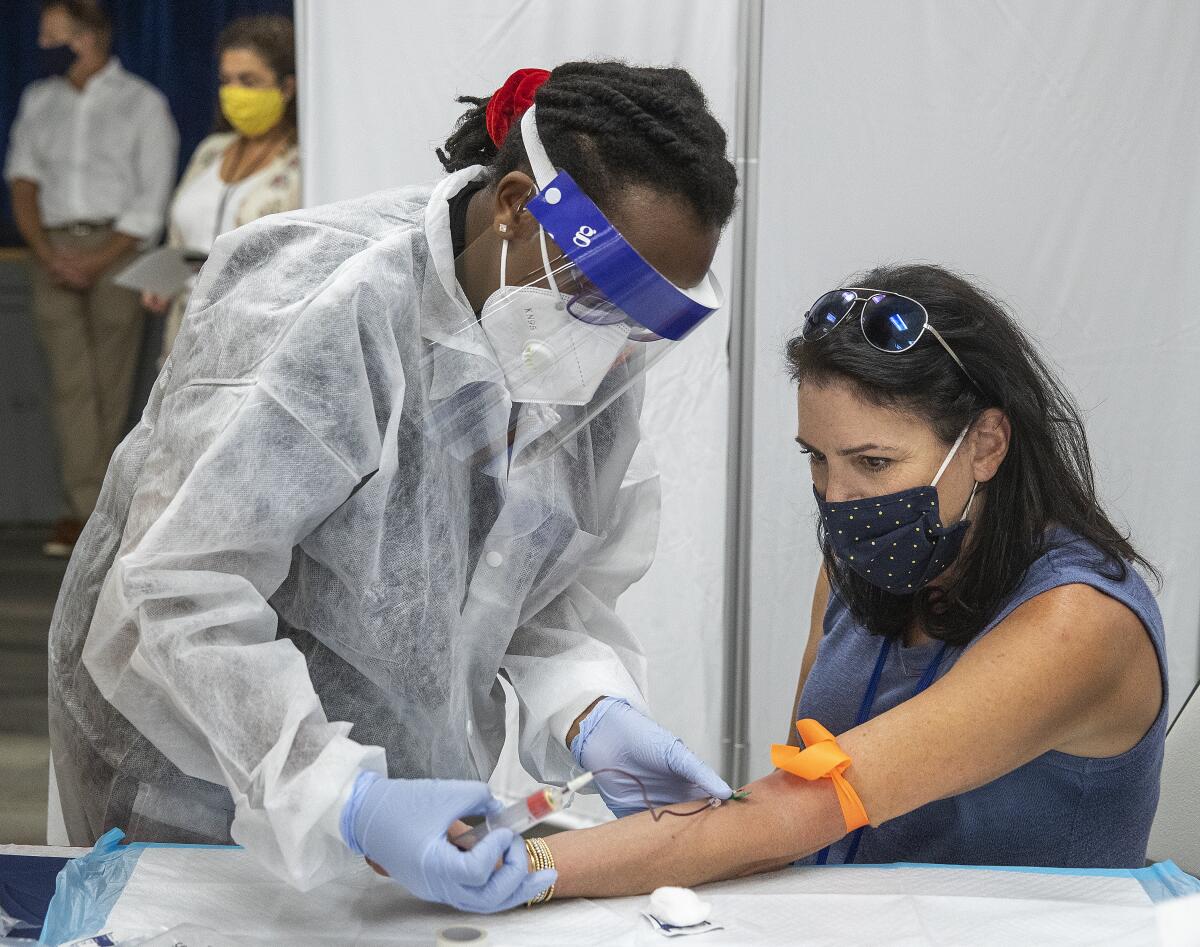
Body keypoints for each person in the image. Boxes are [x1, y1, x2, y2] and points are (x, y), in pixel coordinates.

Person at [47, 63, 739, 913]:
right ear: (518, 205)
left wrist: (592, 708)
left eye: (648, 319)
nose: (617, 345)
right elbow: (183, 585)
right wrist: (343, 795)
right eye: (603, 298)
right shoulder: (323, 305)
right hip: (197, 780)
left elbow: (542, 583)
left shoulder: (587, 357)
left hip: (411, 814)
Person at [514, 264, 1166, 903]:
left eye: (873, 462)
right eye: (816, 458)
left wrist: (530, 860)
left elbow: (793, 813)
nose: (838, 497)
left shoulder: (1078, 623)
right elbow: (793, 790)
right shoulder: (866, 561)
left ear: (987, 444)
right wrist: (703, 832)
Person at [4, 0, 178, 557]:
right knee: (70, 383)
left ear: (87, 34)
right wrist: (46, 251)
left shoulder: (142, 103)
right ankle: (85, 512)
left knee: (112, 383)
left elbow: (150, 197)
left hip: (120, 250)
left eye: (51, 28)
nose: (40, 39)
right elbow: (24, 181)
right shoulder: (40, 100)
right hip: (51, 246)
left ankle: (101, 510)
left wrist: (97, 260)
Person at [142, 14, 301, 363]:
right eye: (226, 80)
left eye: (248, 80)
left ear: (287, 87)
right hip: (186, 336)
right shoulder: (210, 151)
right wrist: (162, 280)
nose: (234, 93)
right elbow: (180, 239)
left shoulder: (303, 164)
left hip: (258, 339)